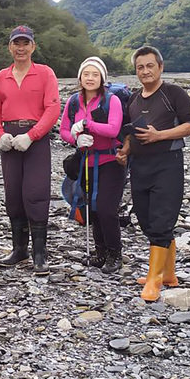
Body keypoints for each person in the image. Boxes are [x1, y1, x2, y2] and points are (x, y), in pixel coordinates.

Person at [117, 45, 190, 301]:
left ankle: (154, 281)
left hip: (167, 163)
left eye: (150, 65)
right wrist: (125, 150)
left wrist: (159, 135)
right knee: (144, 218)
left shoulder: (173, 93)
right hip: (140, 166)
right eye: (140, 67)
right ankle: (169, 274)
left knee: (162, 220)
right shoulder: (133, 98)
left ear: (160, 67)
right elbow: (131, 132)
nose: (145, 71)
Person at [0, 25, 61, 273]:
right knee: (13, 194)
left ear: (33, 46)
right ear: (10, 47)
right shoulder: (1, 76)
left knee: (36, 192)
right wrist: (0, 134)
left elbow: (52, 109)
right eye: (16, 44)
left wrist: (32, 136)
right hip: (10, 139)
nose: (21, 48)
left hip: (35, 140)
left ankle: (39, 253)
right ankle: (19, 250)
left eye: (25, 43)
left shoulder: (45, 73)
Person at [59, 56, 124, 273]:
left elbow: (114, 129)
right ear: (80, 77)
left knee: (107, 208)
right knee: (93, 209)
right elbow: (64, 130)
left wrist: (88, 124)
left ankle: (115, 254)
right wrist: (75, 139)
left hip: (110, 161)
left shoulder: (111, 100)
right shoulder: (74, 102)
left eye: (95, 74)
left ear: (102, 78)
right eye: (86, 74)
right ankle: (100, 253)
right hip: (87, 161)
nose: (90, 78)